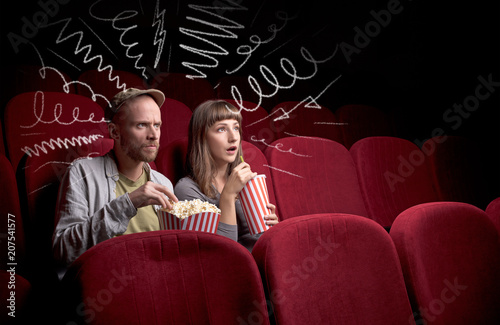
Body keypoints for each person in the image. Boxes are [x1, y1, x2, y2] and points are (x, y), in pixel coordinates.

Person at [53, 88, 178, 266]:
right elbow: (64, 250)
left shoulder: (163, 183)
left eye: (157, 125)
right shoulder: (82, 172)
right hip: (106, 283)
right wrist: (127, 204)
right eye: (141, 125)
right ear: (114, 132)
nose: (153, 135)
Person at [174, 100, 279, 251]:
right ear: (202, 137)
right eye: (221, 129)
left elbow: (259, 240)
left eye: (236, 128)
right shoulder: (186, 189)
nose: (233, 137)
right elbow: (222, 253)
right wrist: (228, 195)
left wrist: (272, 228)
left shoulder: (245, 181)